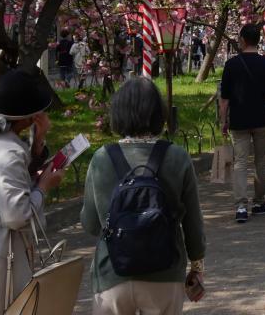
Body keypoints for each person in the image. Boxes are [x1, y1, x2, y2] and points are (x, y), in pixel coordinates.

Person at [81, 78, 206, 315]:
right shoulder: (177, 157)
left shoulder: (101, 159)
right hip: (166, 272)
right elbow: (193, 224)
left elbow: (90, 224)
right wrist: (197, 266)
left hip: (112, 273)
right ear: (159, 114)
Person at [0, 68, 63, 315]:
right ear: (28, 117)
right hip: (0, 262)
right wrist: (43, 187)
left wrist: (38, 143)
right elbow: (17, 216)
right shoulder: (10, 153)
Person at [219, 23, 265, 223]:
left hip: (239, 121)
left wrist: (223, 121)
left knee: (240, 163)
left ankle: (240, 206)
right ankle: (259, 201)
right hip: (262, 119)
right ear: (258, 40)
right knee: (260, 162)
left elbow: (225, 99)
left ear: (242, 40)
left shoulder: (231, 65)